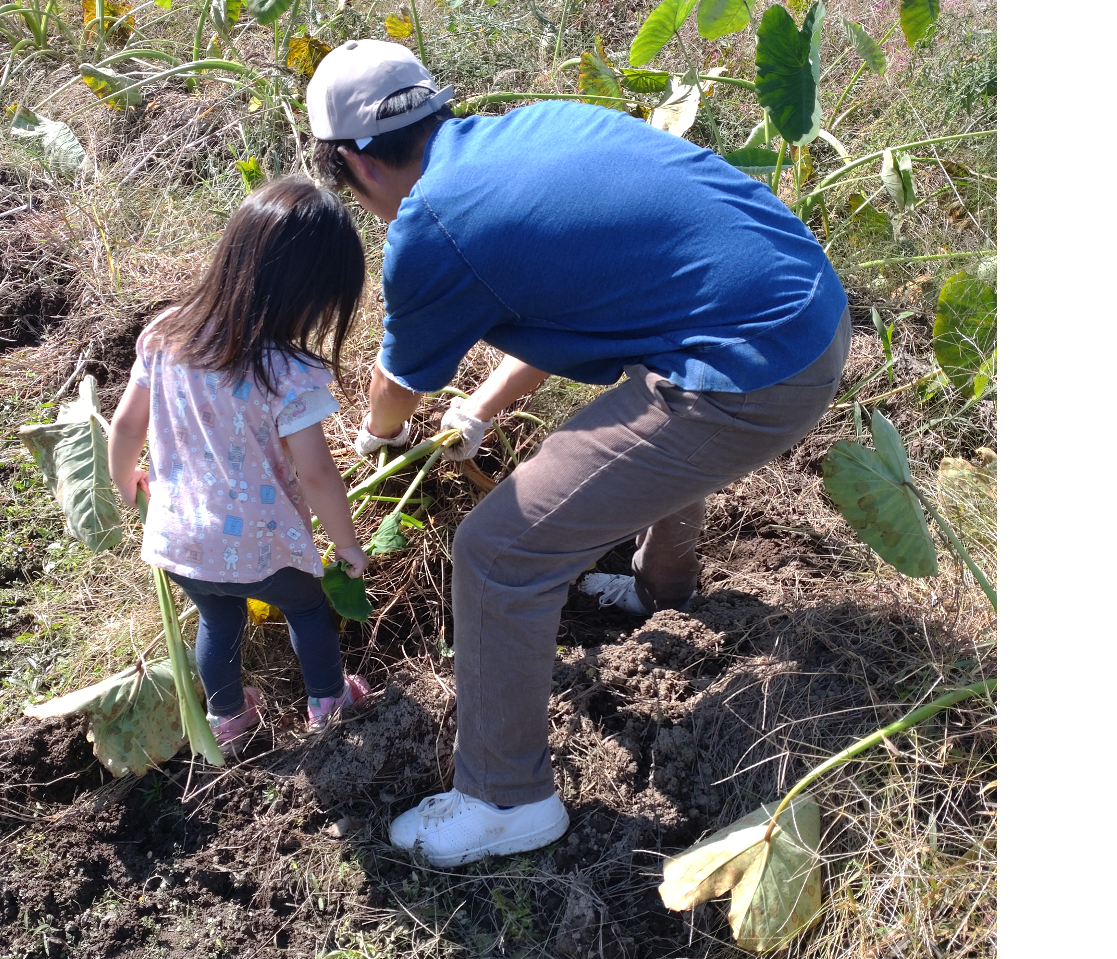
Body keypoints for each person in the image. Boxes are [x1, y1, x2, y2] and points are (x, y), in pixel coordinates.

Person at [307, 39, 852, 867]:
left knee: (496, 552)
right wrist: (485, 406)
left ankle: (504, 799)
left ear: (354, 163)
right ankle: (660, 590)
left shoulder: (431, 225)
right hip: (802, 308)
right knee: (653, 394)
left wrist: (376, 441)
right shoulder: (536, 129)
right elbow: (595, 300)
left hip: (751, 370)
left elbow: (393, 388)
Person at [108, 176, 376, 754]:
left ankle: (228, 717)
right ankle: (329, 703)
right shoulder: (287, 371)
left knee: (218, 620)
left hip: (180, 537)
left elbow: (128, 424)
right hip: (263, 543)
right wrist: (347, 543)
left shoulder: (164, 335)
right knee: (306, 607)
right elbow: (317, 473)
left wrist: (124, 479)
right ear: (308, 294)